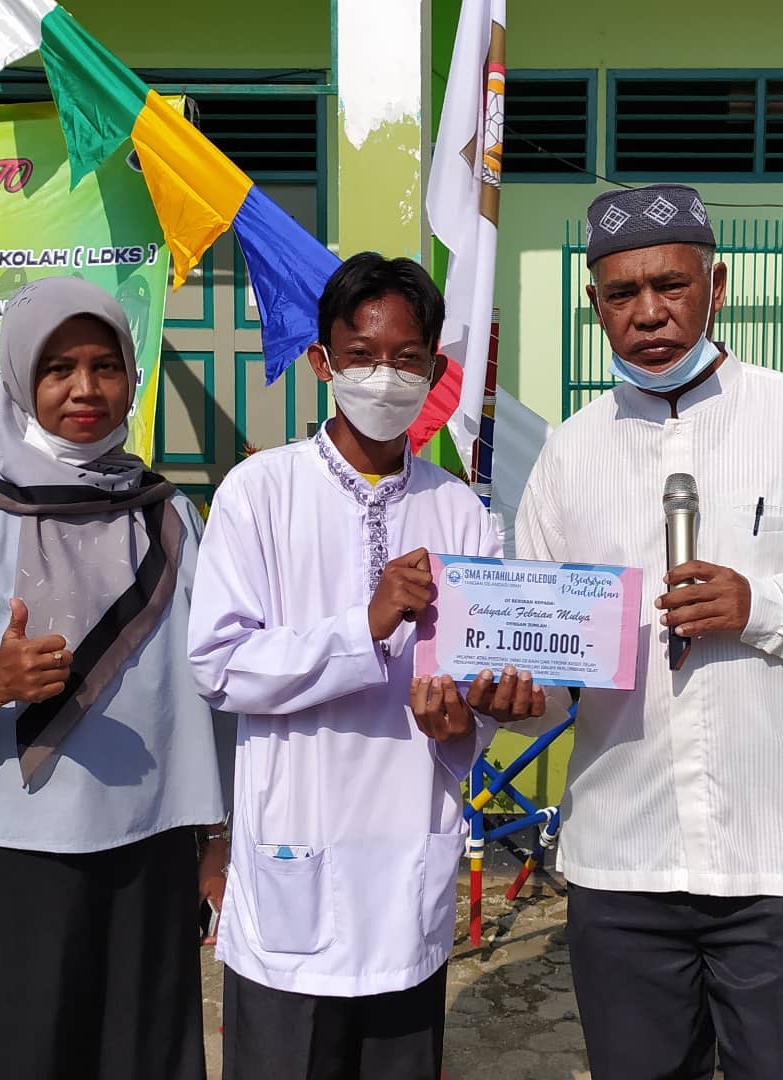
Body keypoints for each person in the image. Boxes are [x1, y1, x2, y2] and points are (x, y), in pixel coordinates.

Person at [509, 183, 783, 1080]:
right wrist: (511, 692)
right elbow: (545, 647)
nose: (648, 313)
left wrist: (763, 606)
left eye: (671, 285)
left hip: (778, 857)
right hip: (622, 857)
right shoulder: (569, 454)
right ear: (594, 304)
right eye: (622, 293)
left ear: (717, 286)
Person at [187, 252, 541, 1080]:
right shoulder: (259, 493)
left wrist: (468, 721)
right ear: (322, 362)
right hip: (293, 863)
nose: (384, 376)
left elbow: (476, 677)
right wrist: (365, 627)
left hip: (404, 871)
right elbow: (219, 666)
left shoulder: (460, 512)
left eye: (406, 358)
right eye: (362, 355)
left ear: (436, 372)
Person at [0, 277, 226, 1080]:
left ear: (130, 378)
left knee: (142, 1054)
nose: (85, 388)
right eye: (58, 369)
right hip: (14, 853)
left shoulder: (168, 515)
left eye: (105, 365)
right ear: (21, 379)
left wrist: (218, 841)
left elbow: (214, 683)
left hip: (152, 846)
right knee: (23, 1053)